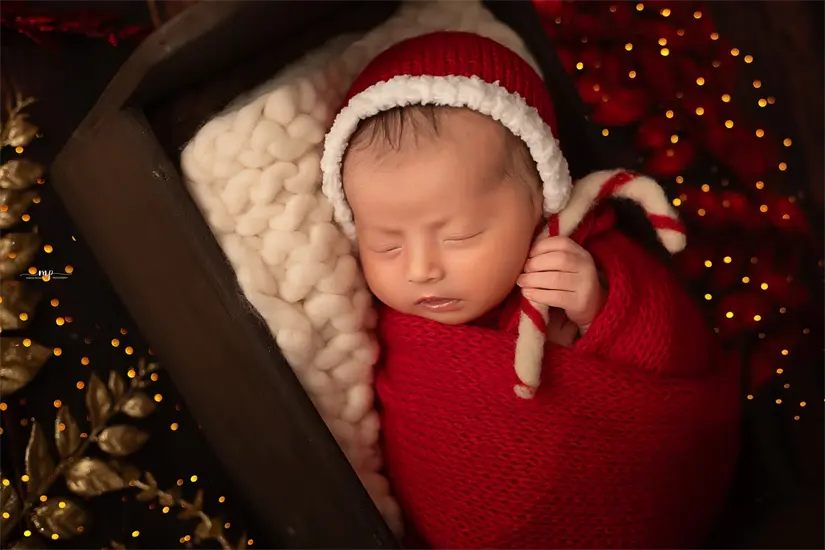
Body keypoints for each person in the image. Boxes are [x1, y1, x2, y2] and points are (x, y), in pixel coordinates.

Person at [320, 31, 740, 550]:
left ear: (543, 198)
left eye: (461, 236)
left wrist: (601, 308)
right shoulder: (389, 335)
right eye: (385, 245)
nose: (422, 269)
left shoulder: (587, 259)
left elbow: (674, 354)